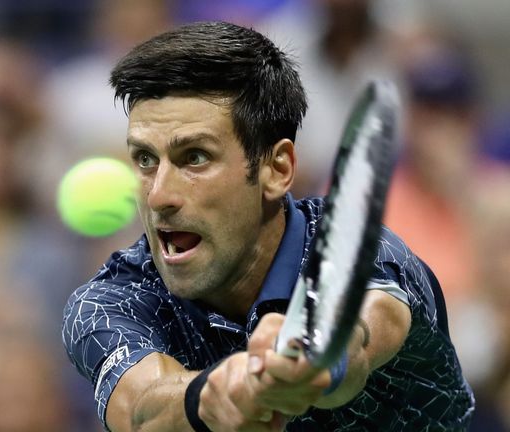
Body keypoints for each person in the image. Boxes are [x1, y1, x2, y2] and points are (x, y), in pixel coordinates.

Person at [62, 21, 474, 431]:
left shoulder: (359, 252)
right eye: (146, 160)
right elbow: (141, 407)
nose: (157, 196)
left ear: (276, 169)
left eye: (195, 157)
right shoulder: (110, 299)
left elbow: (364, 332)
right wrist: (210, 396)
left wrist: (313, 356)